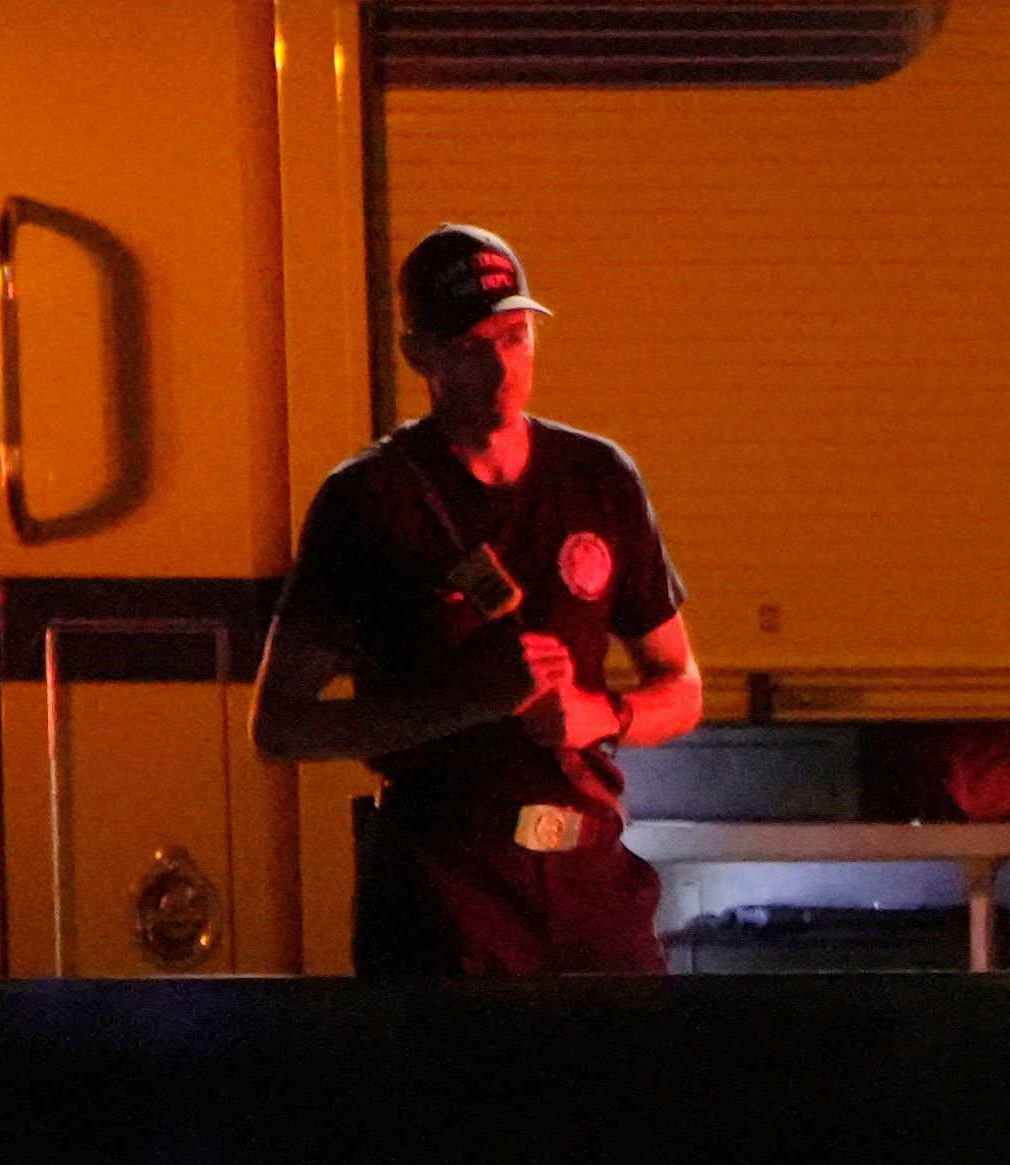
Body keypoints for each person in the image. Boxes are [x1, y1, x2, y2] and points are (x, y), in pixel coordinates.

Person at [263, 222, 701, 979]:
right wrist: (472, 701)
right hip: (447, 889)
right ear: (419, 356)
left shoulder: (598, 477)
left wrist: (606, 715)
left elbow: (682, 686)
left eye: (517, 336)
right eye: (472, 347)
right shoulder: (370, 501)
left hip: (591, 878)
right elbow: (281, 727)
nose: (503, 366)